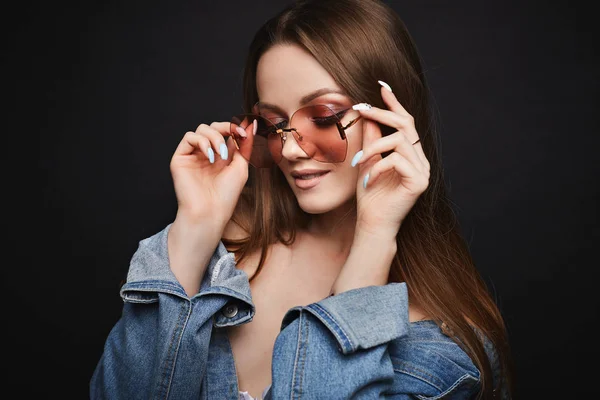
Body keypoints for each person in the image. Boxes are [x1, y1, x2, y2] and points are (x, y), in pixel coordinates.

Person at [90, 0, 514, 398]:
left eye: (324, 118)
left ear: (392, 119)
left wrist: (373, 238)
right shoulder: (224, 257)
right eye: (274, 125)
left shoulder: (442, 345)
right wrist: (193, 231)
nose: (291, 149)